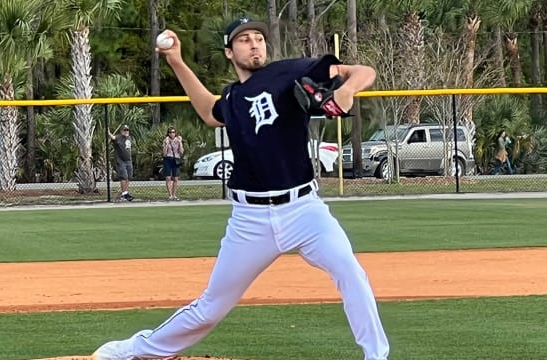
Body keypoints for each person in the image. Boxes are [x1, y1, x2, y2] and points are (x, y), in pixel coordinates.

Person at [93, 18, 389, 360]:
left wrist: (347, 89)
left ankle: (376, 355)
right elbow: (208, 111)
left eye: (259, 38)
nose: (254, 44)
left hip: (305, 210)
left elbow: (362, 71)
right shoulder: (233, 97)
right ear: (229, 52)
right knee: (211, 307)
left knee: (351, 273)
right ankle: (138, 348)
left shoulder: (289, 72)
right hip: (250, 219)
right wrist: (176, 61)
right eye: (245, 39)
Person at [108, 124, 134, 201]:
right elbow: (113, 137)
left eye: (127, 130)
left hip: (128, 161)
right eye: (124, 130)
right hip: (121, 161)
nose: (126, 131)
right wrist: (109, 133)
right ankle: (123, 194)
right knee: (124, 177)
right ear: (121, 131)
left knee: (128, 177)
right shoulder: (118, 137)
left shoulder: (129, 138)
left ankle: (126, 193)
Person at [162, 126, 184, 201]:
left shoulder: (178, 140)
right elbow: (164, 153)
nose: (172, 134)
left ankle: (174, 194)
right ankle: (170, 195)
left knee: (175, 178)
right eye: (170, 132)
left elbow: (181, 152)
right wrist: (166, 144)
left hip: (176, 159)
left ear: (175, 133)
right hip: (168, 158)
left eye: (173, 132)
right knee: (168, 177)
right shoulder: (166, 140)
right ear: (168, 133)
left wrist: (180, 142)